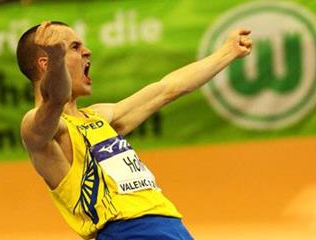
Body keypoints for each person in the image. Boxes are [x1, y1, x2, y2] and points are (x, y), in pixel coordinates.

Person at [17, 20, 252, 240]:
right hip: (127, 232)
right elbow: (55, 99)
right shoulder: (37, 128)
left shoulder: (100, 117)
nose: (87, 52)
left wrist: (228, 51)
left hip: (169, 225)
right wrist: (57, 58)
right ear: (44, 63)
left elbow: (168, 89)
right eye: (75, 47)